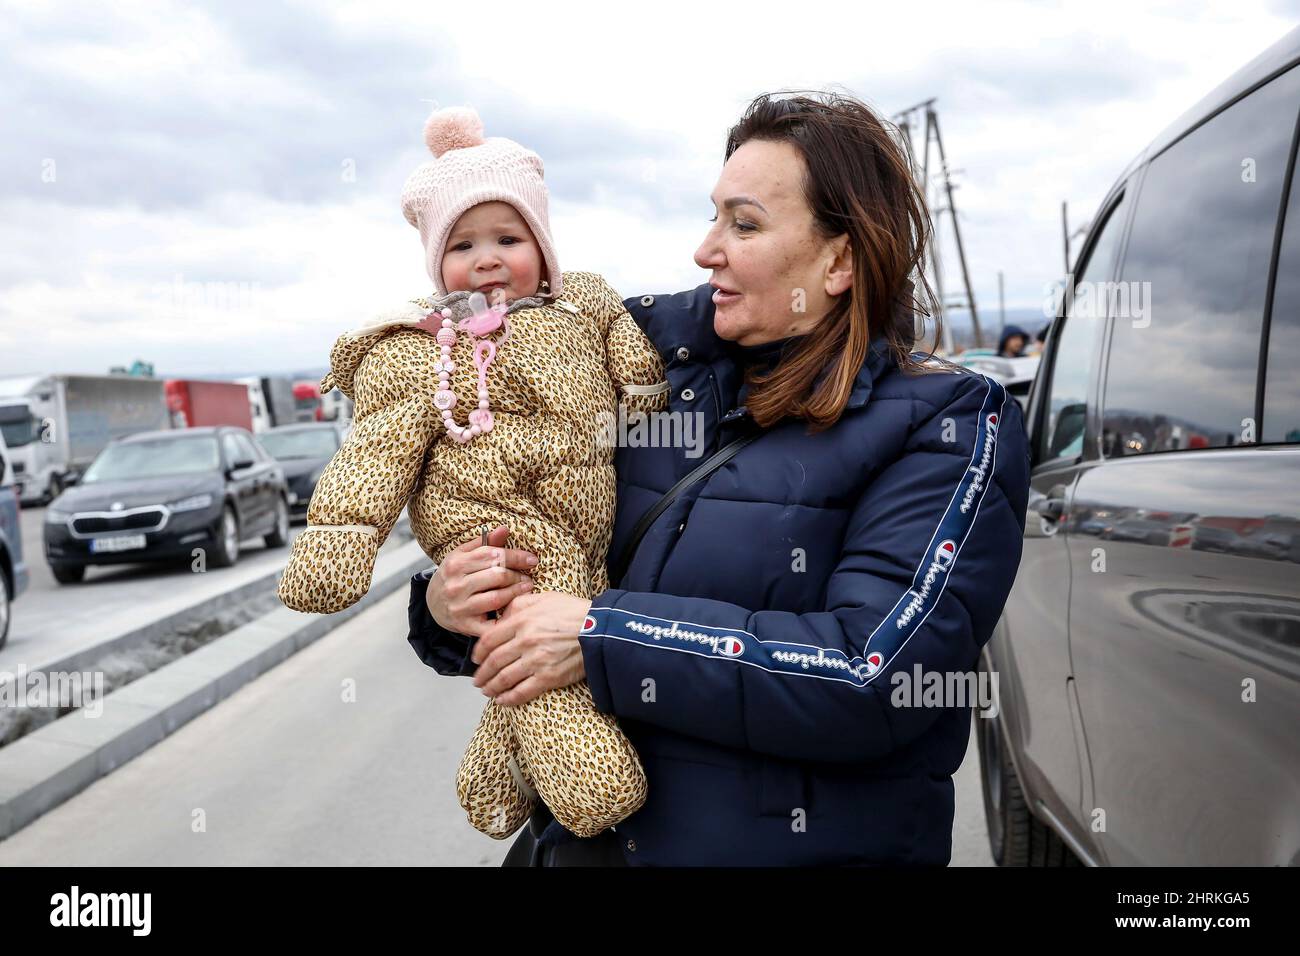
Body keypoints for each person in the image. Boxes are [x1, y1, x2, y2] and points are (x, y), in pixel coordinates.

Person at [409, 90, 1032, 866]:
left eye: (744, 224)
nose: (706, 250)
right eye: (713, 218)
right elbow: (540, 551)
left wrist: (604, 637)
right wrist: (447, 602)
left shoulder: (948, 423)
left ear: (839, 260)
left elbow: (872, 675)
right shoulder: (645, 379)